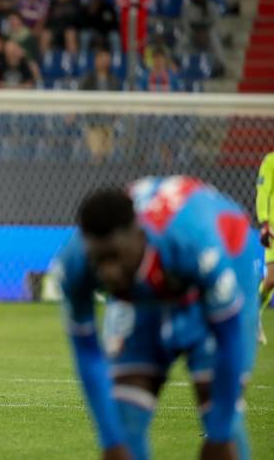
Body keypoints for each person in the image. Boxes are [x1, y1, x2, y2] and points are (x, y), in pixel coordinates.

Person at [53, 177, 260, 460]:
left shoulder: (192, 243)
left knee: (220, 410)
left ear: (136, 235)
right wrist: (112, 443)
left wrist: (220, 436)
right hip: (147, 293)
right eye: (99, 260)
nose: (108, 273)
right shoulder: (74, 263)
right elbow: (87, 352)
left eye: (114, 256)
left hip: (231, 261)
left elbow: (230, 337)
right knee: (125, 421)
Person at [257, 151, 274, 345]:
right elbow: (264, 192)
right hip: (273, 229)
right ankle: (254, 314)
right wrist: (265, 222)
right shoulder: (270, 161)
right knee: (271, 280)